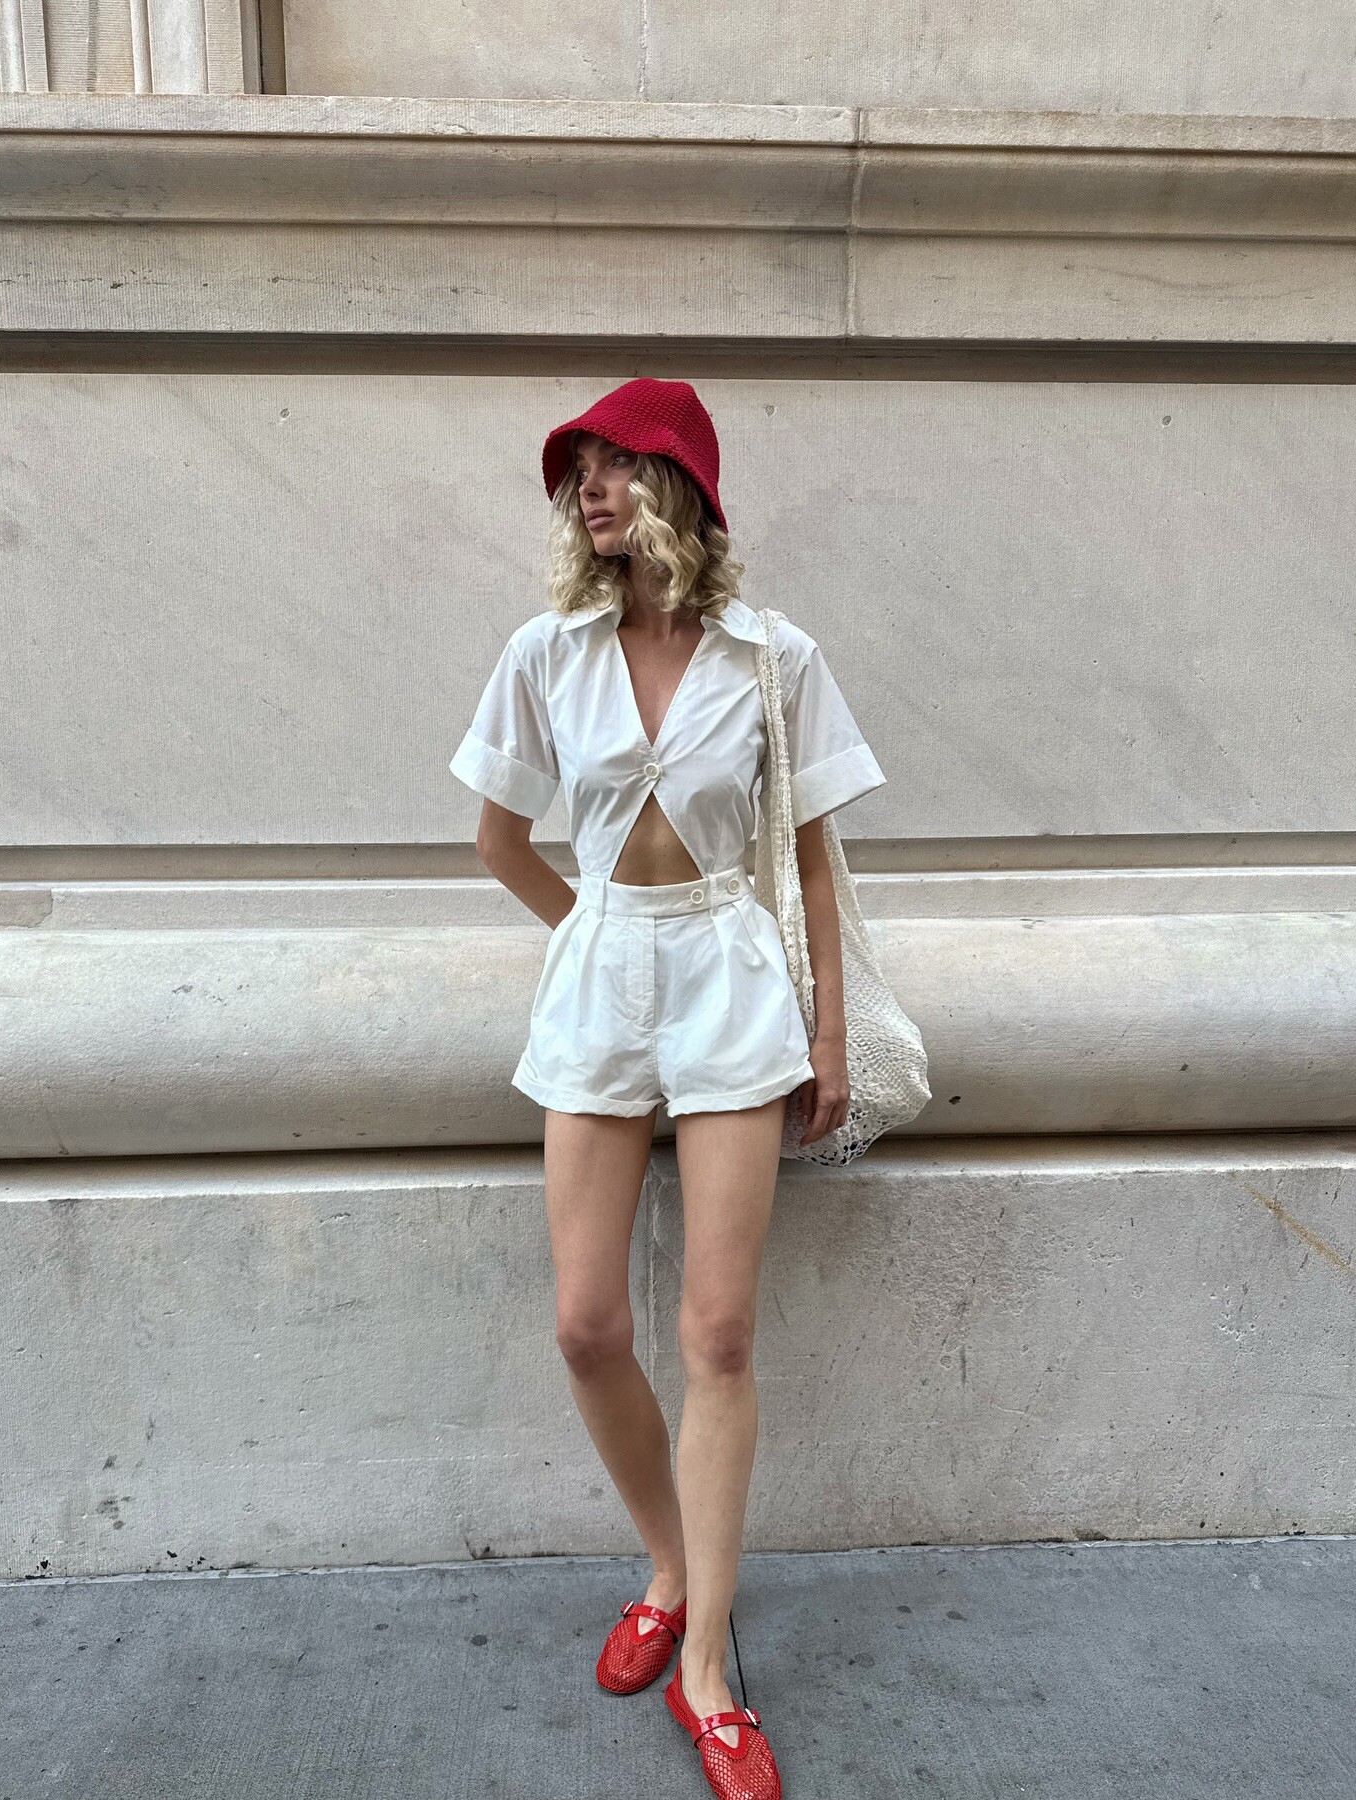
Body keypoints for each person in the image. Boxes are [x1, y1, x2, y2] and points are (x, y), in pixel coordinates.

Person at [448, 377, 886, 1800]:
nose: (588, 488)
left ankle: (707, 1671)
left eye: (617, 463)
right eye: (577, 469)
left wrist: (828, 1034)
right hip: (605, 979)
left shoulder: (773, 656)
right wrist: (586, 932)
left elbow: (811, 856)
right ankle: (669, 1560)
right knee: (586, 1327)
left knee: (719, 1333)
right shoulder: (546, 652)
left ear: (681, 484)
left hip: (731, 982)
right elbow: (499, 838)